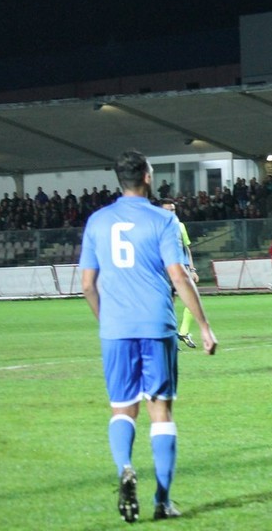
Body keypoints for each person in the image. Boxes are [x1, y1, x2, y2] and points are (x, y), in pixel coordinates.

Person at [79, 150, 217, 523]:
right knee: (161, 412)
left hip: (116, 329)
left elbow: (87, 285)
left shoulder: (97, 221)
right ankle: (162, 501)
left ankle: (125, 466)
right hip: (156, 325)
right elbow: (179, 276)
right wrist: (204, 326)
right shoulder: (163, 220)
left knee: (123, 409)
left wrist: (107, 320)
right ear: (146, 176)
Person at [160, 198, 200, 348]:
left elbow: (186, 248)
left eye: (173, 210)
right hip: (164, 271)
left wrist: (192, 269)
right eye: (167, 210)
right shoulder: (156, 227)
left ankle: (183, 332)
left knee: (192, 299)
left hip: (181, 269)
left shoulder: (180, 226)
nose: (171, 213)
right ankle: (170, 337)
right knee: (167, 305)